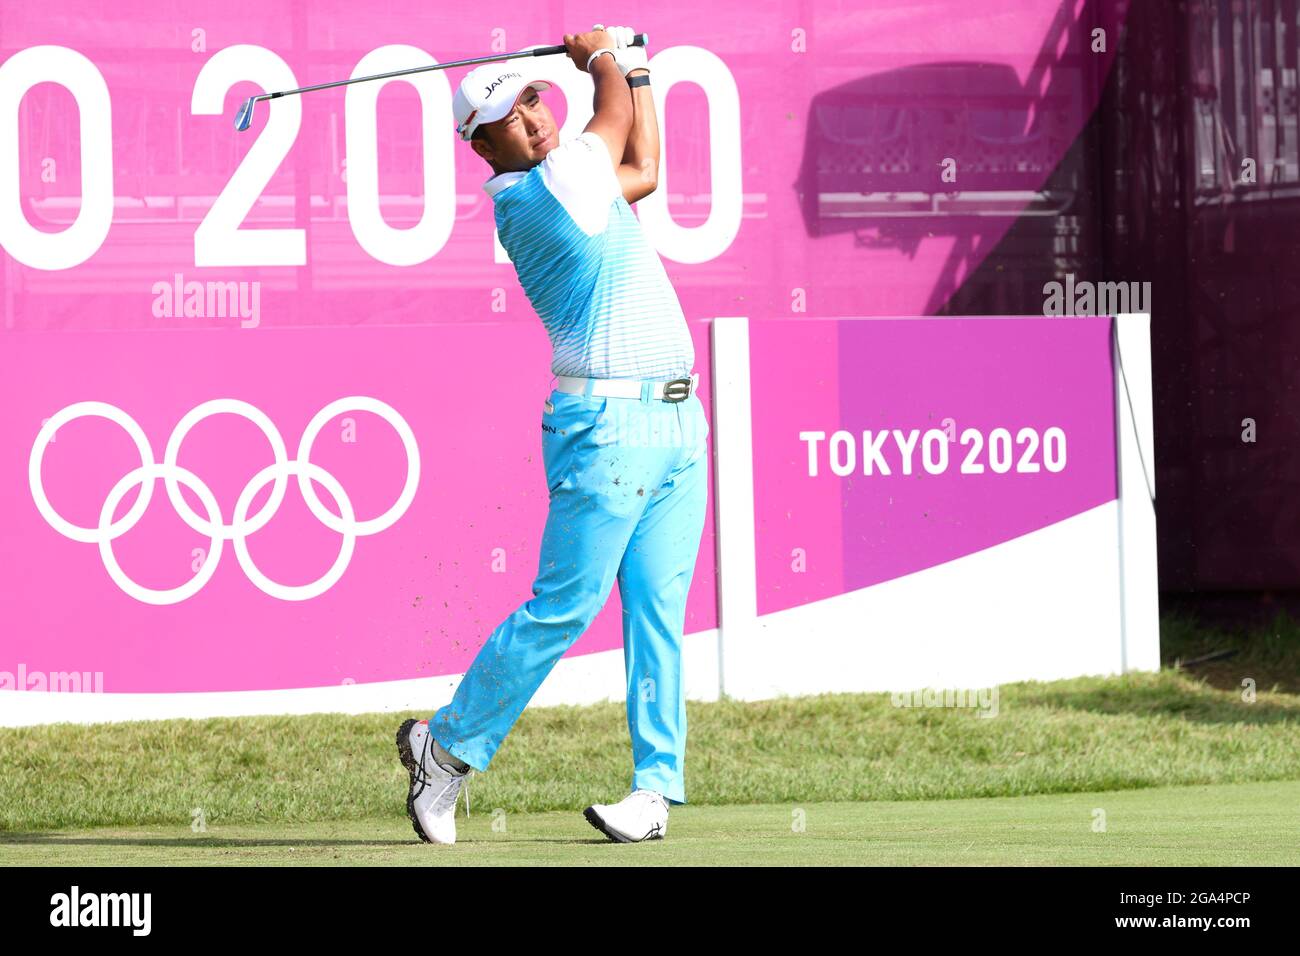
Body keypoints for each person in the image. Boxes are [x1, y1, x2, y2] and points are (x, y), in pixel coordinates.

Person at [395, 25, 709, 845]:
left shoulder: (578, 177)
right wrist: (604, 57)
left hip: (678, 422)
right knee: (566, 605)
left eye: (534, 99)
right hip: (608, 428)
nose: (534, 119)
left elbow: (645, 167)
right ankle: (447, 747)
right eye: (510, 115)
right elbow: (611, 122)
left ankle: (653, 792)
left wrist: (637, 69)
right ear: (481, 143)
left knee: (656, 613)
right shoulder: (537, 193)